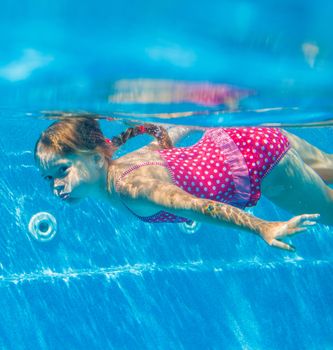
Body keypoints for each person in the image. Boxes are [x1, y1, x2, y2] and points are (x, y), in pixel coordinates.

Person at [34, 117, 333, 252]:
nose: (56, 186)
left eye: (62, 170)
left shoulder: (130, 187)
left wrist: (262, 227)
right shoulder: (125, 162)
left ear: (97, 159)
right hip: (239, 135)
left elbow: (196, 206)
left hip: (258, 165)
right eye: (49, 178)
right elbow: (164, 140)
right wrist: (197, 120)